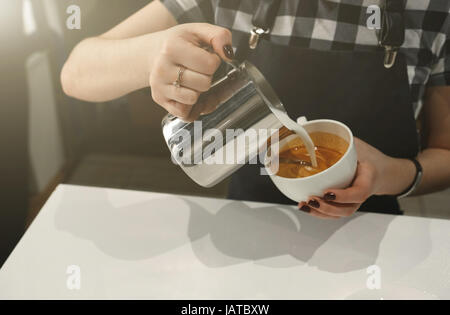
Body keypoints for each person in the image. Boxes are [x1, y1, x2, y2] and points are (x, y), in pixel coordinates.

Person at [61, 0, 450, 219]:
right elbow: (76, 72)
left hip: (373, 236)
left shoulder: (432, 11)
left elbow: (445, 154)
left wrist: (392, 174)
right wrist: (152, 53)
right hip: (246, 229)